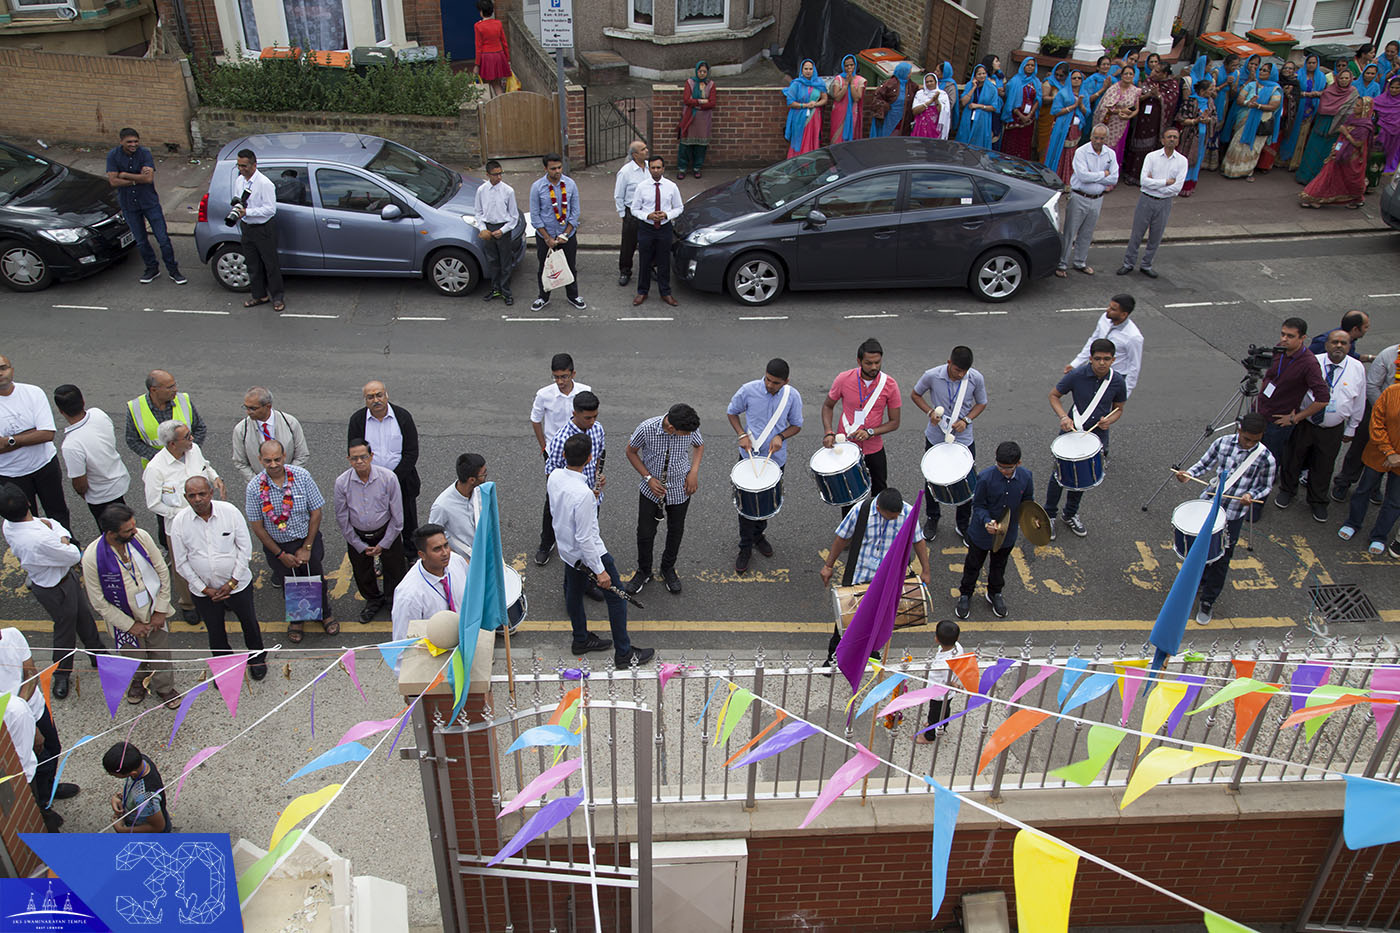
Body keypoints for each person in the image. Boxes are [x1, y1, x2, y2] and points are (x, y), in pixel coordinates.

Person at [551, 434, 654, 667]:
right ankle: (624, 653)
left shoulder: (556, 477)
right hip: (590, 555)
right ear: (589, 459)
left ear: (564, 455)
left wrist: (591, 496)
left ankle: (580, 639)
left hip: (568, 552)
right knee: (617, 600)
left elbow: (566, 507)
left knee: (574, 594)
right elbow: (585, 537)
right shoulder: (583, 495)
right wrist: (600, 571)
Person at [0, 483, 105, 699]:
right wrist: (62, 537)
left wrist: (58, 534)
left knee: (83, 616)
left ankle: (98, 653)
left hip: (60, 581)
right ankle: (61, 673)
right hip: (56, 588)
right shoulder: (41, 538)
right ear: (28, 502)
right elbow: (73, 554)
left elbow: (50, 524)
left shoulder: (10, 526)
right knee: (65, 630)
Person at [1175, 413, 1276, 625]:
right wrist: (1188, 475)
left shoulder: (1266, 458)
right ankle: (1197, 581)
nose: (1249, 444)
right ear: (1239, 430)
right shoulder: (1222, 443)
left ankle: (1208, 600)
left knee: (1222, 557)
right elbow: (1204, 464)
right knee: (1198, 550)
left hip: (1232, 515)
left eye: (1255, 440)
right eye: (1246, 438)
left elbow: (1265, 486)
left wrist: (1251, 496)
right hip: (1208, 506)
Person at [81, 504, 179, 709]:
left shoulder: (141, 538)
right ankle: (138, 682)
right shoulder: (92, 557)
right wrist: (129, 625)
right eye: (128, 530)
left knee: (161, 652)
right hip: (124, 619)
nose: (135, 531)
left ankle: (164, 687)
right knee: (133, 656)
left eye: (134, 526)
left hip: (153, 611)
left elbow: (162, 571)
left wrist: (160, 609)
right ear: (111, 533)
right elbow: (98, 601)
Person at [169, 476, 267, 678]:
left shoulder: (230, 512)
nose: (198, 499)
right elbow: (181, 562)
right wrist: (204, 589)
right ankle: (223, 666)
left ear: (211, 493)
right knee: (215, 630)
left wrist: (232, 582)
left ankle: (257, 658)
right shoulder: (179, 522)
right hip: (204, 592)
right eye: (192, 495)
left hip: (238, 586)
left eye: (202, 494)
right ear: (186, 497)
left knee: (249, 623)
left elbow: (245, 549)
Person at [819, 487, 932, 662]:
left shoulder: (908, 513)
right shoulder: (860, 510)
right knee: (847, 618)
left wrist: (926, 570)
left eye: (897, 516)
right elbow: (842, 538)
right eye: (891, 517)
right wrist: (828, 565)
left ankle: (871, 652)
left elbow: (918, 541)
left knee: (880, 619)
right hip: (860, 574)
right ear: (878, 509)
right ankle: (834, 657)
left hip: (889, 578)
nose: (895, 518)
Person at [244, 440, 336, 642]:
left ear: (284, 456)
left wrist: (307, 547)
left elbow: (316, 512)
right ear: (260, 460)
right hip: (278, 545)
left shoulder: (302, 476)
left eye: (277, 459)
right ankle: (297, 619)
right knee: (289, 581)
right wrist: (280, 554)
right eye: (268, 461)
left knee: (315, 577)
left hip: (306, 539)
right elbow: (257, 527)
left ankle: (324, 613)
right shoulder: (254, 488)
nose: (273, 464)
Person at [1278, 330, 1366, 522]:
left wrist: (1352, 427)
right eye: (1335, 342)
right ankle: (1287, 490)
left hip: (1332, 428)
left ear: (1349, 346)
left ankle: (1317, 500)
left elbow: (1359, 400)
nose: (1339, 346)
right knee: (1293, 458)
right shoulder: (1312, 362)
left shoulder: (1357, 368)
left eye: (1344, 343)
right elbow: (1294, 388)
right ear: (1326, 345)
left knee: (1324, 465)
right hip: (1306, 421)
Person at [1044, 338, 1128, 539]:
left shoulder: (1117, 381)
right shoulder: (1076, 375)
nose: (1102, 363)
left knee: (1082, 477)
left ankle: (1070, 514)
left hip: (1096, 436)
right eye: (1097, 358)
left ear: (1113, 360)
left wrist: (1109, 421)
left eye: (1106, 359)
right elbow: (1054, 396)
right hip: (1071, 431)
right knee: (1059, 475)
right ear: (1090, 358)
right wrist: (1063, 417)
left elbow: (1119, 409)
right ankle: (1049, 514)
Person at [727, 359, 803, 573]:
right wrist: (741, 434)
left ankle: (758, 535)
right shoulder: (748, 390)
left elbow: (796, 425)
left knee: (768, 503)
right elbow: (732, 412)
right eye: (768, 380)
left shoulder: (792, 396)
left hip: (775, 460)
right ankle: (745, 547)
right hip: (749, 457)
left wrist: (781, 436)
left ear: (786, 381)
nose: (770, 385)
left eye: (776, 382)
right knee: (746, 506)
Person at [142, 420, 222, 622]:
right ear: (172, 444)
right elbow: (153, 504)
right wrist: (183, 513)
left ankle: (216, 593)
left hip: (208, 518)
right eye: (187, 437)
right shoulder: (155, 469)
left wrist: (215, 477)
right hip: (179, 526)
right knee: (183, 565)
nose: (192, 438)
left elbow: (205, 466)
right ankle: (188, 603)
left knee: (212, 556)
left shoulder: (193, 450)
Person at [0, 626, 78, 829]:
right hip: (14, 721)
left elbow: (31, 673)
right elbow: (9, 709)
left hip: (34, 708)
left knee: (53, 749)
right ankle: (41, 807)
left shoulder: (12, 634)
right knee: (34, 763)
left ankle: (49, 789)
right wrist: (28, 723)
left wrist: (25, 708)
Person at [624, 403, 703, 596]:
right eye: (685, 434)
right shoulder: (646, 428)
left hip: (680, 488)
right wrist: (648, 478)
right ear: (671, 428)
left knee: (676, 531)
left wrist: (693, 472)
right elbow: (631, 452)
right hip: (652, 489)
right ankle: (644, 571)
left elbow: (699, 445)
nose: (689, 435)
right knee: (645, 533)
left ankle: (668, 568)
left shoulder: (688, 427)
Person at [911, 346, 987, 541]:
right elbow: (915, 395)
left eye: (964, 371)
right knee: (932, 478)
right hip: (936, 437)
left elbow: (981, 403)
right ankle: (932, 518)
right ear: (949, 363)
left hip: (963, 439)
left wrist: (967, 420)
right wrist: (930, 412)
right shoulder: (932, 375)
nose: (960, 375)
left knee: (967, 480)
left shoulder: (975, 378)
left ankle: (963, 523)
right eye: (957, 370)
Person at [821, 338, 901, 510]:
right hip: (846, 447)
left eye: (877, 362)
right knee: (848, 495)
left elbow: (894, 422)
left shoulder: (890, 384)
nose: (874, 367)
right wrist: (828, 432)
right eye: (869, 363)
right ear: (859, 361)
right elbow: (828, 406)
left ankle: (876, 524)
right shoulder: (843, 379)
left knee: (880, 494)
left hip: (874, 448)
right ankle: (851, 526)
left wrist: (871, 432)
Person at [956, 441, 1033, 620]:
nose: (1004, 471)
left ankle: (994, 593)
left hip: (1007, 534)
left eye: (1008, 468)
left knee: (999, 566)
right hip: (982, 534)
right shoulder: (985, 477)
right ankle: (965, 594)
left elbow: (1028, 501)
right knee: (973, 566)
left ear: (1018, 463)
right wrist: (987, 521)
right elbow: (978, 505)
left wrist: (1033, 517)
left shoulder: (1026, 477)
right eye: (1000, 466)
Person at [544, 391, 607, 599]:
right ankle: (571, 588)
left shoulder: (597, 429)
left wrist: (598, 477)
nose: (592, 422)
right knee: (574, 547)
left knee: (587, 539)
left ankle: (586, 582)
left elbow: (598, 458)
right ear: (575, 413)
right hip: (573, 501)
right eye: (588, 418)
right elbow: (551, 472)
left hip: (591, 497)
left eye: (595, 416)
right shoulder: (561, 439)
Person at [334, 440, 405, 623]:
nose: (359, 461)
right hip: (358, 534)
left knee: (395, 569)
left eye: (363, 457)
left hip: (386, 530)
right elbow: (342, 517)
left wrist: (385, 543)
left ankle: (392, 601)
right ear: (348, 459)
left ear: (371, 456)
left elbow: (397, 516)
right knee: (362, 572)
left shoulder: (388, 478)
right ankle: (373, 600)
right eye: (354, 458)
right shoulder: (342, 483)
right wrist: (358, 544)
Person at [531, 354, 591, 565]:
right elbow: (536, 420)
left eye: (564, 376)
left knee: (581, 496)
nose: (560, 381)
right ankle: (546, 542)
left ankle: (579, 540)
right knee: (553, 498)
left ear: (573, 374)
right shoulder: (544, 395)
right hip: (556, 454)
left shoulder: (584, 391)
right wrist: (544, 447)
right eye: (556, 377)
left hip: (579, 453)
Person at [105, 128, 184, 286]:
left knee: (163, 239)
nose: (133, 144)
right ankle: (151, 268)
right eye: (129, 142)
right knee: (141, 241)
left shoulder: (145, 153)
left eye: (136, 141)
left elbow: (148, 179)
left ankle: (173, 270)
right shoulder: (113, 155)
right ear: (121, 142)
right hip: (129, 205)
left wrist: (124, 175)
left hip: (149, 203)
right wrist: (137, 178)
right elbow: (113, 181)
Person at [0, 356, 70, 534]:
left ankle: (68, 546)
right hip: (11, 475)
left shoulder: (33, 393)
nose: (0, 373)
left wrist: (9, 440)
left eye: (3, 368)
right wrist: (32, 433)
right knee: (26, 522)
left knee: (58, 513)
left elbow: (47, 434)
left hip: (45, 466)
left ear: (12, 369)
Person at [349, 380, 420, 551]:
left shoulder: (403, 417)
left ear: (386, 395)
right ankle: (380, 554)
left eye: (379, 395)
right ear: (365, 400)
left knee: (408, 520)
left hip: (402, 480)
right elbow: (355, 452)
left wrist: (393, 478)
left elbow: (411, 452)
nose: (376, 400)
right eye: (370, 397)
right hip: (370, 482)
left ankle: (411, 554)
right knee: (377, 522)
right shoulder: (358, 420)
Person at [1256, 317, 1329, 467]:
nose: (1284, 339)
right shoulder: (1280, 349)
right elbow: (1269, 376)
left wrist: (1295, 418)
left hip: (1277, 422)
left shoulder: (1309, 363)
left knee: (1267, 463)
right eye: (1282, 334)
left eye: (1290, 336)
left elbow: (1323, 399)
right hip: (1259, 411)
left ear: (1302, 338)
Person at [53, 385, 129, 526]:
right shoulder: (98, 414)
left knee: (111, 531)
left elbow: (80, 484)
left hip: (100, 496)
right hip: (120, 481)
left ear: (61, 411)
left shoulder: (71, 444)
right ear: (83, 401)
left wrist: (84, 494)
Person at [1117, 127, 1187, 278]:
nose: (1172, 139)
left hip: (1164, 202)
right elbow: (1144, 182)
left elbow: (1177, 188)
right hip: (1146, 199)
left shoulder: (1182, 161)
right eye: (1169, 137)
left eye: (1175, 137)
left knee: (1156, 235)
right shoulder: (1151, 157)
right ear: (1162, 140)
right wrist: (1166, 182)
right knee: (1137, 234)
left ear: (1178, 141)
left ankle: (1146, 264)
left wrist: (1155, 183)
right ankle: (1128, 263)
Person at [1333, 336, 1396, 503]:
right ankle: (1344, 481)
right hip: (1377, 409)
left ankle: (1374, 487)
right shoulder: (1388, 355)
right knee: (1360, 447)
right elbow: (1372, 386)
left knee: (1387, 451)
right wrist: (1386, 410)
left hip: (1397, 420)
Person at [1340, 382, 1400, 554]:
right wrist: (1389, 452)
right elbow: (1376, 423)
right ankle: (1353, 523)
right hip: (1378, 453)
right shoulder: (1391, 392)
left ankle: (1379, 536)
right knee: (1364, 490)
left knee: (1395, 501)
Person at [1057, 124, 1119, 277]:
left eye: (1102, 138)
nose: (1098, 141)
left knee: (1087, 232)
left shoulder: (1110, 154)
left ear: (1106, 139)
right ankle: (1062, 264)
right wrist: (1104, 174)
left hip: (1097, 199)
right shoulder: (1081, 152)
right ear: (1091, 136)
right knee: (1070, 232)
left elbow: (1114, 178)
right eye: (1096, 138)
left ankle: (1080, 262)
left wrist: (1094, 175)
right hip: (1079, 197)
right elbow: (1083, 176)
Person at [391, 524, 467, 644]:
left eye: (446, 545)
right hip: (433, 650)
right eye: (437, 549)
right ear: (422, 555)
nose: (445, 553)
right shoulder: (408, 595)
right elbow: (403, 642)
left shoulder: (456, 562)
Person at [530, 154, 586, 312]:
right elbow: (535, 215)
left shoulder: (570, 184)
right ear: (545, 169)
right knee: (544, 267)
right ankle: (543, 297)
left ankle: (573, 296)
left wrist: (565, 234)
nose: (557, 171)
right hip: (545, 236)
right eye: (553, 168)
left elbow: (575, 212)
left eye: (559, 167)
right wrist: (547, 237)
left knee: (570, 266)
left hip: (566, 236)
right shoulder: (537, 187)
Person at [230, 148, 283, 312]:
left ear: (254, 165)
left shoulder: (265, 184)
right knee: (252, 264)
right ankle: (259, 295)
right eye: (239, 165)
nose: (241, 169)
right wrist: (239, 211)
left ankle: (277, 297)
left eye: (244, 166)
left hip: (263, 228)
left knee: (270, 264)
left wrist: (248, 212)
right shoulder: (239, 181)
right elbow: (238, 200)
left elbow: (270, 209)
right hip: (247, 227)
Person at [1300, 97, 1376, 209]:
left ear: (1365, 109)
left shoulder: (1365, 126)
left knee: (1350, 180)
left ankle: (1356, 198)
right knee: (1328, 174)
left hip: (1350, 157)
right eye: (1355, 104)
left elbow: (1358, 143)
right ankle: (1314, 197)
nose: (1355, 107)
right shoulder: (1352, 118)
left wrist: (1346, 133)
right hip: (1339, 152)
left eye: (1358, 106)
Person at [125, 369, 206, 470]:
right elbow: (132, 440)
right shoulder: (135, 408)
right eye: (170, 387)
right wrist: (162, 458)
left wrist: (189, 452)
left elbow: (200, 428)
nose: (175, 390)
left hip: (187, 463)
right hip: (157, 467)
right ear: (153, 390)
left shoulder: (183, 400)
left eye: (174, 385)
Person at [629, 156, 683, 307]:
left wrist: (667, 215)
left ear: (663, 169)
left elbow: (679, 207)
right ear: (649, 169)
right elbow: (634, 209)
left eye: (658, 167)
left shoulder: (671, 187)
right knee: (644, 260)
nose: (656, 170)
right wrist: (648, 216)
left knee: (664, 261)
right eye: (653, 168)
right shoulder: (642, 187)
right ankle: (642, 291)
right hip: (646, 228)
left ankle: (665, 292)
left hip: (664, 228)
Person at [1065, 294, 1143, 396]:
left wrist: (1124, 394)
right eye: (1109, 306)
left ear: (1124, 314)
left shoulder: (1133, 337)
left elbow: (1134, 367)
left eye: (1113, 309)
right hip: (1094, 372)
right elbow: (1093, 341)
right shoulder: (1105, 319)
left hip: (1112, 379)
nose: (1107, 310)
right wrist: (1076, 363)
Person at [1295, 66, 1358, 185]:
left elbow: (1350, 112)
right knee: (1313, 149)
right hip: (1322, 122)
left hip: (1337, 125)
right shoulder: (1330, 90)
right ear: (1337, 78)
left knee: (1327, 152)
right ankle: (1304, 176)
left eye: (1346, 78)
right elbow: (1321, 101)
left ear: (1350, 79)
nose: (1343, 80)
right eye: (1341, 78)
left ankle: (1319, 180)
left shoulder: (1353, 93)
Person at [1220, 63, 1283, 181]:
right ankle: (1230, 170)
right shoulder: (1251, 85)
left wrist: (1258, 106)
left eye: (1265, 70)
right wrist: (1248, 103)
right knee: (1238, 143)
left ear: (1272, 74)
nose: (1261, 72)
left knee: (1254, 147)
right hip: (1245, 117)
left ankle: (1247, 171)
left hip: (1261, 121)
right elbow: (1239, 100)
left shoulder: (1275, 89)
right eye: (1261, 69)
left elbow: (1274, 106)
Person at [232, 386, 309, 482]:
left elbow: (302, 455)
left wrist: (287, 478)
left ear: (268, 406)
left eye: (253, 408)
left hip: (291, 483)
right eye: (246, 407)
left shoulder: (290, 423)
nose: (248, 412)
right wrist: (258, 482)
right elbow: (240, 462)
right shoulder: (241, 430)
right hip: (260, 487)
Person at [1124, 59, 1182, 184]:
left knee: (1151, 148)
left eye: (1157, 71)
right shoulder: (1149, 81)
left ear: (1164, 74)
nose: (1154, 73)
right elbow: (1138, 97)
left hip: (1156, 122)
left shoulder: (1172, 85)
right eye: (1154, 70)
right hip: (1142, 120)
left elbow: (1171, 102)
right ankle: (1132, 175)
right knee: (1138, 145)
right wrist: (1150, 94)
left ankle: (1148, 177)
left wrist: (1159, 96)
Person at [473, 159, 520, 305]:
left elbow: (514, 216)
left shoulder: (508, 191)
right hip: (488, 228)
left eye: (500, 174)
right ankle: (495, 289)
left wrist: (503, 230)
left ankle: (506, 292)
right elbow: (478, 212)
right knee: (492, 261)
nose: (499, 177)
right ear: (487, 174)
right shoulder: (481, 190)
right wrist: (483, 229)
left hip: (503, 229)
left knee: (505, 262)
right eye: (495, 174)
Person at [429, 453, 488, 561]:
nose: (485, 477)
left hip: (483, 553)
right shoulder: (442, 506)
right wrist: (459, 560)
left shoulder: (480, 491)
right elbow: (433, 537)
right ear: (472, 480)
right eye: (483, 475)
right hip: (462, 561)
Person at [915, 619, 964, 745]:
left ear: (936, 639)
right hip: (948, 692)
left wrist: (954, 684)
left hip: (939, 693)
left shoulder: (943, 664)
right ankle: (942, 725)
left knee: (935, 713)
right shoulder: (958, 648)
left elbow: (947, 679)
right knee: (945, 709)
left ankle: (929, 736)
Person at [103, 743, 170, 833]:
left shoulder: (146, 798)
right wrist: (118, 796)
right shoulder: (141, 761)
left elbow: (158, 827)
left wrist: (122, 830)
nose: (111, 775)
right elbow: (134, 785)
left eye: (114, 775)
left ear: (132, 773)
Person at [613, 141, 649, 288]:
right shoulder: (625, 172)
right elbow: (618, 195)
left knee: (650, 242)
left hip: (648, 211)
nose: (647, 151)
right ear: (635, 155)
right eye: (643, 149)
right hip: (632, 212)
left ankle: (651, 267)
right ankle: (625, 271)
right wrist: (623, 215)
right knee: (629, 244)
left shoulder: (650, 168)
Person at [1284, 55, 1329, 170]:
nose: (1311, 65)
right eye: (1309, 62)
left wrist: (1318, 94)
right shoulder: (1298, 75)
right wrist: (1306, 94)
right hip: (1298, 107)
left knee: (1302, 135)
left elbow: (1325, 92)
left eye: (1314, 63)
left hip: (1312, 108)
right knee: (1292, 131)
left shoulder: (1321, 77)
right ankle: (1284, 159)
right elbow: (1291, 92)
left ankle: (1295, 162)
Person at [1044, 71, 1089, 183]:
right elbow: (1055, 111)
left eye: (1079, 78)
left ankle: (1067, 180)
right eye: (1074, 78)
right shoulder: (1063, 93)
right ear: (1069, 79)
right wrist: (1073, 106)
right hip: (1062, 127)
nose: (1077, 80)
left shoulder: (1084, 94)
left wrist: (1081, 105)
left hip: (1075, 129)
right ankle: (1054, 178)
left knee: (1071, 154)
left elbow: (1087, 113)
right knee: (1059, 152)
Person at [1177, 75, 1216, 197]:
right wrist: (1196, 120)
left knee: (1198, 159)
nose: (1212, 92)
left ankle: (1191, 184)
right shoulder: (1190, 101)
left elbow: (1215, 117)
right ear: (1202, 91)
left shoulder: (1210, 102)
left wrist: (1209, 120)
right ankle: (1182, 185)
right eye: (1210, 89)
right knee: (1187, 159)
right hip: (1190, 137)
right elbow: (1182, 119)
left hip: (1202, 138)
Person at [1259, 60, 1300, 172]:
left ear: (1294, 71)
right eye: (1285, 68)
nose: (1287, 70)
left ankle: (1265, 165)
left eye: (1290, 68)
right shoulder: (1276, 81)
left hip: (1284, 116)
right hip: (1271, 112)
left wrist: (1288, 95)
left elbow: (1296, 101)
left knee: (1274, 141)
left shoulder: (1295, 84)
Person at [677, 61, 716, 178]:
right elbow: (686, 100)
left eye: (704, 71)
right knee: (685, 145)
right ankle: (682, 169)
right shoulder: (690, 82)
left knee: (701, 146)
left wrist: (696, 103)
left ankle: (697, 168)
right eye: (700, 71)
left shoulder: (711, 84)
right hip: (690, 118)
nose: (702, 73)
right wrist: (702, 101)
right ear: (696, 71)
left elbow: (712, 103)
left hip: (704, 119)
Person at [1094, 66, 1141, 162]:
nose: (1128, 76)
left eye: (1130, 74)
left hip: (1122, 123)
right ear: (1122, 75)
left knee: (1118, 147)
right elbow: (1105, 107)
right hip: (1109, 121)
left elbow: (1136, 109)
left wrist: (1128, 116)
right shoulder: (1113, 89)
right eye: (1126, 74)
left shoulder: (1136, 91)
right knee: (1105, 145)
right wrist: (1120, 111)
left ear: (1133, 76)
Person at [783, 59, 828, 156]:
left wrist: (815, 104)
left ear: (814, 70)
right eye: (806, 69)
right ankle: (798, 160)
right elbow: (790, 102)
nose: (808, 71)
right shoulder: (796, 84)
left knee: (813, 138)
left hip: (814, 116)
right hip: (799, 116)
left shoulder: (819, 83)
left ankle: (810, 162)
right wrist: (805, 105)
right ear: (802, 70)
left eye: (810, 69)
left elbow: (825, 99)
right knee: (799, 138)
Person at [1207, 54, 1243, 170]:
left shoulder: (1236, 74)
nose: (1235, 68)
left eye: (1237, 65)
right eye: (1233, 65)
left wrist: (1232, 86)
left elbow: (1233, 93)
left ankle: (1212, 160)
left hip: (1224, 102)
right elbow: (1211, 90)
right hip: (1215, 100)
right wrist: (1225, 84)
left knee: (1219, 127)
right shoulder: (1216, 72)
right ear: (1226, 64)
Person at [999, 58, 1040, 158]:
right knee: (1012, 142)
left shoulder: (1037, 82)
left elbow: (1038, 99)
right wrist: (1020, 115)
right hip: (1015, 117)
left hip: (1029, 119)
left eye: (1032, 65)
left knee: (1025, 142)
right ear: (1023, 66)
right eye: (1028, 65)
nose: (1030, 67)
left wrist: (1030, 115)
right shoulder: (1015, 81)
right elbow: (1010, 100)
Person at [473, 0, 511, 97]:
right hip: (499, 55)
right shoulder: (498, 23)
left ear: (481, 11)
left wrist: (477, 65)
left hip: (487, 57)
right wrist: (507, 59)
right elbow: (504, 43)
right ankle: (500, 101)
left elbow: (478, 47)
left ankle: (496, 103)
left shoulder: (478, 26)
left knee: (489, 84)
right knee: (497, 83)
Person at [957, 63, 1000, 148]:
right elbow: (963, 102)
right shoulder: (969, 85)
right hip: (968, 117)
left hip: (982, 119)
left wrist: (979, 106)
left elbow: (994, 107)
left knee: (978, 144)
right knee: (964, 141)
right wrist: (973, 88)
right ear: (975, 75)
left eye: (984, 73)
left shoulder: (992, 88)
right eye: (979, 74)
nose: (982, 76)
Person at [871, 61, 916, 138]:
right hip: (890, 117)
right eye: (909, 72)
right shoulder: (889, 84)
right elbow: (878, 97)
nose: (910, 74)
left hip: (904, 119)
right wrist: (885, 106)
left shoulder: (911, 85)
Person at [829, 54, 866, 145]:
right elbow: (837, 97)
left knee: (851, 135)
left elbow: (856, 98)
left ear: (855, 65)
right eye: (846, 65)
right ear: (843, 66)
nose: (849, 67)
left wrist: (852, 83)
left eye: (851, 65)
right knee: (836, 137)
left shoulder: (860, 80)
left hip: (852, 112)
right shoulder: (839, 79)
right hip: (839, 112)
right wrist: (846, 84)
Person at [1037, 62, 1071, 158]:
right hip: (1048, 117)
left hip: (1061, 117)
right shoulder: (1049, 82)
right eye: (1056, 74)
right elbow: (1044, 99)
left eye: (1061, 76)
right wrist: (1056, 98)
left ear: (1067, 76)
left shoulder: (1069, 85)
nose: (1058, 77)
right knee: (1044, 144)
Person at [911, 71, 951, 139]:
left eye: (931, 81)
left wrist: (936, 100)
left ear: (936, 82)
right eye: (927, 82)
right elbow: (915, 111)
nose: (929, 83)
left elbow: (943, 112)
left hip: (935, 126)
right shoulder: (920, 94)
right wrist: (930, 101)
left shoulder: (942, 95)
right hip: (920, 126)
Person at [1374, 74, 1400, 176]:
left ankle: (1389, 165)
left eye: (1397, 88)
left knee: (1393, 150)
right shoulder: (1381, 99)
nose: (1394, 90)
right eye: (1392, 87)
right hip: (1382, 130)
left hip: (1397, 133)